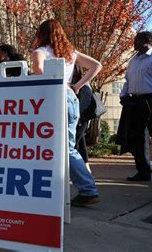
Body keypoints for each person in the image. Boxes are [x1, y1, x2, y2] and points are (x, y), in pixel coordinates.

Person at [31, 19, 102, 206]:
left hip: (52, 99)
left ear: (42, 33)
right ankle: (73, 188)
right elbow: (97, 66)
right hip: (71, 99)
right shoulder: (71, 53)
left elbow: (37, 71)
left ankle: (88, 190)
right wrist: (76, 85)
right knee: (63, 146)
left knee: (61, 147)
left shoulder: (40, 52)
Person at [120, 31, 152, 186]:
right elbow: (128, 80)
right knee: (138, 138)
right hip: (136, 102)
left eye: (136, 40)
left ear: (146, 40)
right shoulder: (134, 60)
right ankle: (143, 172)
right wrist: (124, 94)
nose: (133, 43)